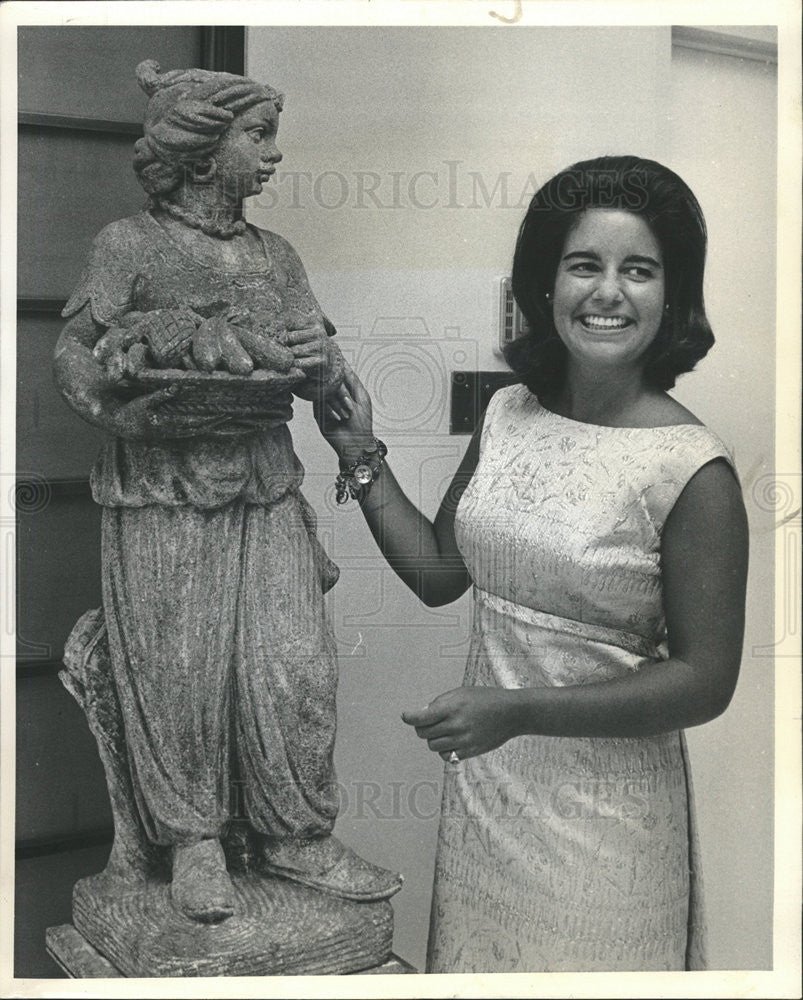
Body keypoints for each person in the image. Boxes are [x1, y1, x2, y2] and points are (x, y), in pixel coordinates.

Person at [315, 155, 748, 972]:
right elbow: (441, 570)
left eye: (639, 270)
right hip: (489, 797)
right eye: (584, 264)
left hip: (606, 824)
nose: (608, 292)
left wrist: (516, 710)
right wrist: (356, 449)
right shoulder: (510, 412)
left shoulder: (692, 468)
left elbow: (704, 680)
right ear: (544, 286)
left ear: (672, 296)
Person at [53, 59, 400, 923]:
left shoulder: (275, 255)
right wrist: (121, 414)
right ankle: (194, 841)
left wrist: (324, 367)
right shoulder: (130, 245)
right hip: (161, 487)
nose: (276, 155)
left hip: (263, 481)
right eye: (260, 135)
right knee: (179, 672)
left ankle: (296, 834)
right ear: (202, 150)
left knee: (294, 667)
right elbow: (72, 352)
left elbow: (322, 370)